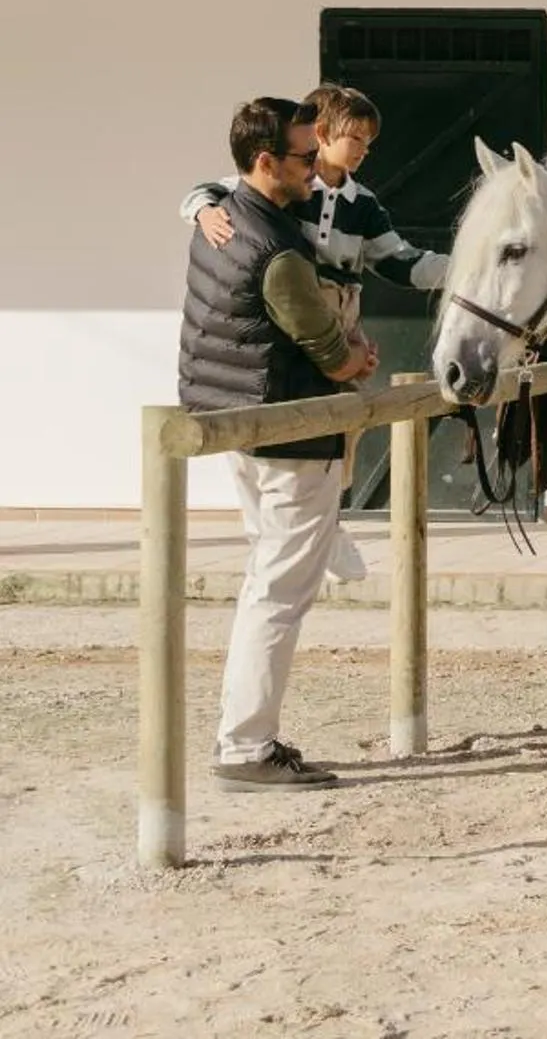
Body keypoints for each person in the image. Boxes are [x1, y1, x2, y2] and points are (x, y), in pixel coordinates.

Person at [182, 96, 379, 791]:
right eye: (305, 154)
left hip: (243, 426)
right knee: (278, 594)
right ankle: (245, 747)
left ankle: (244, 735)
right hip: (293, 436)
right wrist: (356, 356)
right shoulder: (279, 251)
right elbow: (330, 355)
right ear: (265, 162)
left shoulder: (223, 220)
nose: (316, 162)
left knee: (266, 581)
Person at [180, 84, 443, 582]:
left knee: (345, 418)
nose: (364, 151)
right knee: (273, 434)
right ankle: (282, 537)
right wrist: (201, 211)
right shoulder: (290, 184)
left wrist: (463, 268)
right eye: (356, 138)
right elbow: (213, 191)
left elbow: (400, 261)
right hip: (291, 301)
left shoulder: (363, 204)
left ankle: (331, 520)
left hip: (337, 311)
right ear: (322, 135)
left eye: (369, 142)